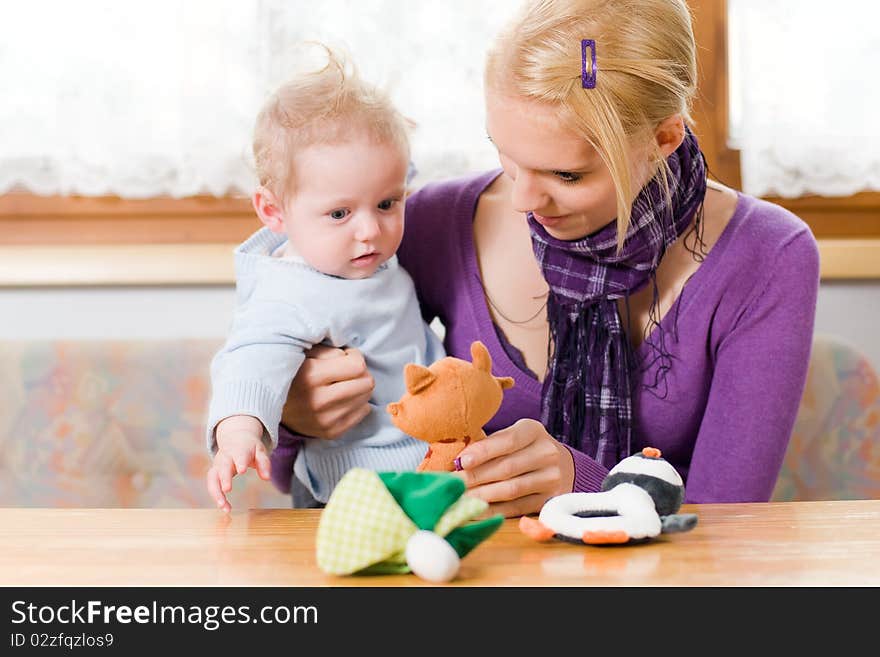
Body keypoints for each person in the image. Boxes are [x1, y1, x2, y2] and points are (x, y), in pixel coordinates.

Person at [275, 0, 820, 517]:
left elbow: (732, 525)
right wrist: (294, 416)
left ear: (662, 138)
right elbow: (294, 471)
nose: (523, 202)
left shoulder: (768, 256)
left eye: (567, 175)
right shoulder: (431, 223)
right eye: (507, 157)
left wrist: (579, 483)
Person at [205, 46, 443, 512]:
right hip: (354, 486)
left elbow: (383, 176)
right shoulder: (292, 290)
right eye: (340, 213)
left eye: (388, 204)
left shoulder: (355, 248)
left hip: (424, 461)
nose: (370, 229)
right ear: (273, 211)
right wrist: (238, 430)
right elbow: (252, 357)